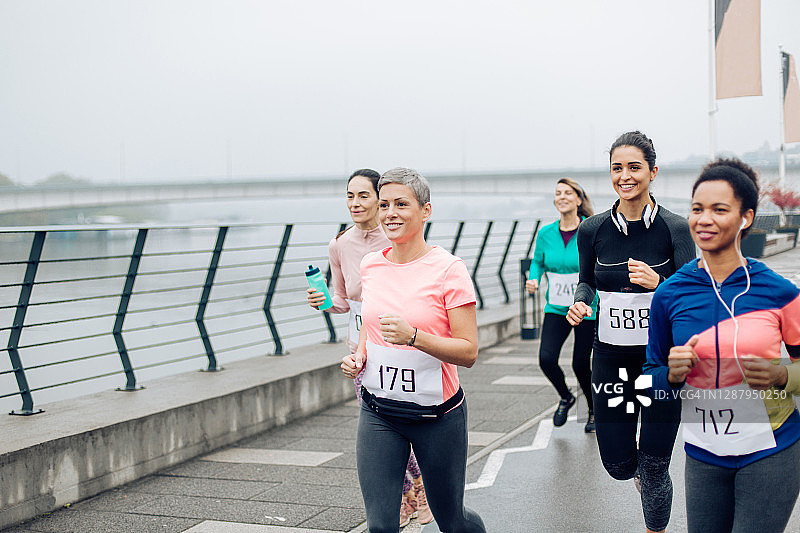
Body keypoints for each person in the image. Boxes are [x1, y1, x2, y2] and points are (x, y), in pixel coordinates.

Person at [644, 158, 800, 533]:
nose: (704, 219)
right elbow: (650, 378)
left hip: (772, 449)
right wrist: (671, 374)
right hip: (703, 454)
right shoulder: (669, 293)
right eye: (697, 209)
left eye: (719, 209)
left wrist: (782, 375)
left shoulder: (778, 292)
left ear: (746, 218)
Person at [341, 167, 486, 533]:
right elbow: (370, 325)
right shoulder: (371, 264)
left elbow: (469, 351)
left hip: (437, 418)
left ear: (426, 211)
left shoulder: (449, 269)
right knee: (381, 526)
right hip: (379, 412)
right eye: (385, 204)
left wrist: (414, 337)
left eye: (401, 204)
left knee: (451, 520)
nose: (390, 212)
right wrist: (359, 356)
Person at [566, 131, 694, 533]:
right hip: (611, 360)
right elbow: (587, 280)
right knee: (619, 465)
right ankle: (635, 469)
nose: (625, 175)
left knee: (655, 467)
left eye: (634, 167)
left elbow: (692, 291)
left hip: (660, 362)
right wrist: (581, 301)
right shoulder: (594, 229)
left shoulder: (675, 228)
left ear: (652, 172)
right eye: (617, 168)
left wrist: (660, 283)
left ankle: (654, 519)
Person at [307, 169, 432, 527]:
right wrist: (324, 302)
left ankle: (419, 487)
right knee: (379, 425)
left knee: (405, 422)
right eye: (349, 196)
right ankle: (410, 493)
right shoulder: (339, 244)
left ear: (380, 200)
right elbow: (344, 301)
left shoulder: (395, 237)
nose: (355, 203)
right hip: (360, 351)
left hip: (399, 344)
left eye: (363, 195)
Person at [527, 178, 598, 431]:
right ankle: (566, 397)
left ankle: (593, 410)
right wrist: (533, 278)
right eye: (558, 193)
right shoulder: (546, 233)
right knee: (546, 358)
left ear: (579, 200)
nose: (562, 197)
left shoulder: (589, 230)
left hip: (586, 308)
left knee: (580, 362)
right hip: (556, 307)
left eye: (568, 193)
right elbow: (537, 262)